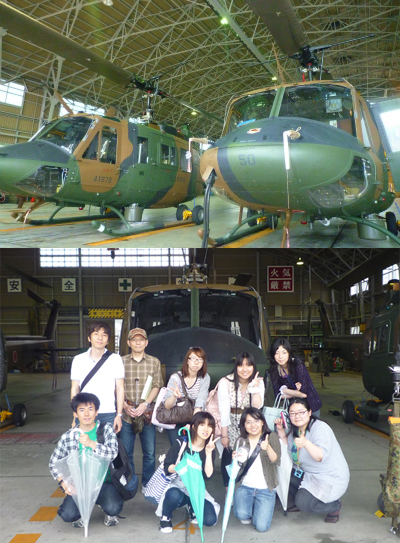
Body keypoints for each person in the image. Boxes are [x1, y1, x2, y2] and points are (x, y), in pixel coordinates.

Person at [49, 392, 123, 528]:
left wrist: (92, 444)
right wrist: (64, 483)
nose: (87, 414)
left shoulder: (106, 429)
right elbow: (53, 463)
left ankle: (106, 508)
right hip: (79, 485)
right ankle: (81, 511)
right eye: (82, 410)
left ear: (97, 412)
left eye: (90, 409)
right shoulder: (68, 436)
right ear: (75, 414)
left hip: (103, 483)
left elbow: (113, 453)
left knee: (113, 507)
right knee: (67, 515)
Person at [275, 398, 350, 523]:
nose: (297, 416)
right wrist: (281, 430)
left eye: (301, 412)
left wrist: (306, 443)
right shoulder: (296, 429)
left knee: (303, 503)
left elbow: (320, 456)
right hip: (308, 474)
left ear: (310, 412)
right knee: (283, 473)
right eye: (292, 413)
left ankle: (334, 505)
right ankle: (304, 496)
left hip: (329, 477)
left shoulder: (320, 427)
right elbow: (287, 449)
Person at [157, 412, 220, 533]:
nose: (206, 429)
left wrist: (208, 453)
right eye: (202, 425)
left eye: (210, 426)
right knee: (174, 495)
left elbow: (208, 476)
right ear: (194, 427)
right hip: (178, 485)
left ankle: (192, 505)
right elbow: (167, 467)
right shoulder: (181, 443)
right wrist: (181, 467)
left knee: (210, 520)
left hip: (196, 489)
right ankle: (165, 516)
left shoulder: (210, 447)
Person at [120, 327, 163, 492]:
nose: (138, 343)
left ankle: (148, 484)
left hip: (146, 414)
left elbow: (157, 385)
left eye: (141, 340)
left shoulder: (154, 362)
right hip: (127, 413)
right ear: (128, 343)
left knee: (150, 453)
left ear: (146, 343)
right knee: (126, 452)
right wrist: (124, 405)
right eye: (134, 340)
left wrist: (145, 404)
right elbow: (116, 387)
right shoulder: (121, 362)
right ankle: (130, 482)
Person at [217, 351, 264, 490]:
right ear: (236, 367)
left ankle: (246, 487)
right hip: (231, 423)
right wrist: (224, 435)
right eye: (241, 365)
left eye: (248, 365)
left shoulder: (258, 382)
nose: (244, 369)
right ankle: (228, 490)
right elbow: (224, 411)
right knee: (229, 455)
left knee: (249, 455)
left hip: (250, 425)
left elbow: (257, 407)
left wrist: (254, 388)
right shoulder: (226, 382)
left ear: (253, 366)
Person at [232, 407, 281, 532]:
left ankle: (257, 507)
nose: (253, 425)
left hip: (265, 488)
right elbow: (236, 468)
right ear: (244, 425)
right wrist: (234, 459)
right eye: (248, 422)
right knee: (241, 515)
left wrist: (268, 447)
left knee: (261, 527)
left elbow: (276, 460)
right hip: (245, 486)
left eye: (256, 421)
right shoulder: (240, 441)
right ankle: (250, 507)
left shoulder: (272, 437)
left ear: (262, 422)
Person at [70, 321, 125, 432]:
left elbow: (120, 388)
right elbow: (74, 388)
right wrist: (75, 415)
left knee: (107, 443)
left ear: (108, 340)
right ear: (89, 338)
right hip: (85, 412)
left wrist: (119, 415)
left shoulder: (115, 359)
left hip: (108, 412)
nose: (100, 338)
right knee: (84, 442)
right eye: (96, 334)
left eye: (104, 335)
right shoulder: (78, 360)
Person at [163, 347, 210, 445]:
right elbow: (167, 406)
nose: (196, 362)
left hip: (193, 419)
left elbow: (199, 404)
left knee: (191, 448)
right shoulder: (176, 377)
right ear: (187, 361)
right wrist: (174, 396)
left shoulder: (204, 378)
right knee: (177, 448)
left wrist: (192, 424)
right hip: (174, 419)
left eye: (200, 359)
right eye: (193, 358)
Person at [268, 338, 322, 417]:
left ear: (289, 352)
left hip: (311, 407)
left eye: (284, 352)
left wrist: (284, 390)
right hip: (294, 409)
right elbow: (278, 395)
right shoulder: (274, 370)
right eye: (277, 353)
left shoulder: (298, 364)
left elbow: (304, 393)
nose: (280, 356)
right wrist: (296, 392)